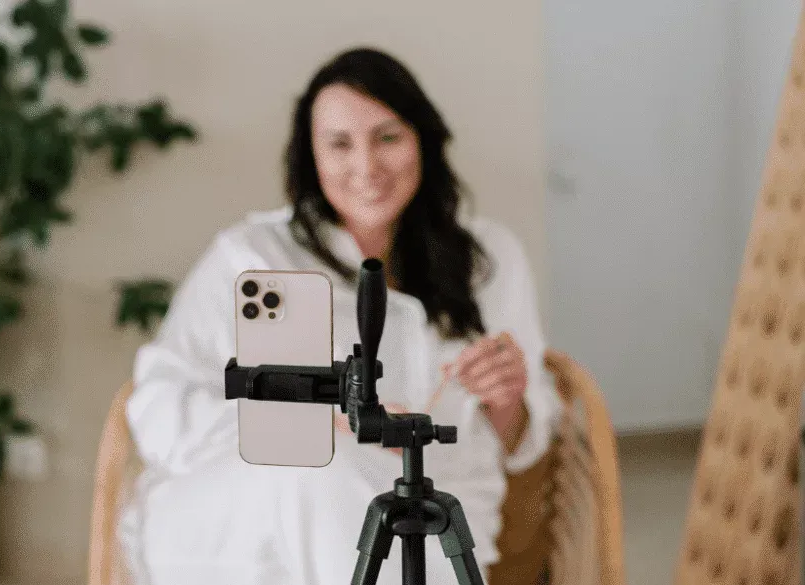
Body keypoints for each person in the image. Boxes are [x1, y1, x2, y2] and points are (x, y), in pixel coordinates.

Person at [117, 46, 562, 585]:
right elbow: (161, 408)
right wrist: (307, 425)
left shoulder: (488, 260)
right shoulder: (252, 256)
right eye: (340, 144)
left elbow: (522, 446)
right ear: (312, 157)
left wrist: (508, 399)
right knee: (321, 473)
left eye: (388, 138)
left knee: (394, 515)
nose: (366, 166)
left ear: (423, 138)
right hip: (244, 513)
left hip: (440, 505)